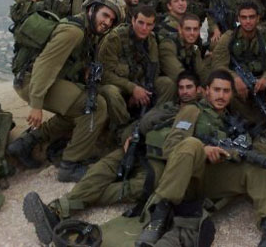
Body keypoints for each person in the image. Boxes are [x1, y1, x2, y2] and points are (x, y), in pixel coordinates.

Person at [22, 72, 203, 246]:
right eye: (181, 87)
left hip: (160, 163)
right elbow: (141, 123)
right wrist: (130, 137)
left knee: (131, 188)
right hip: (138, 148)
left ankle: (64, 207)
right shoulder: (166, 107)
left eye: (189, 87)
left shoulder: (201, 115)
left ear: (199, 90)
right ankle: (55, 210)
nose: (185, 92)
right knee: (102, 169)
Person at [136, 69, 266, 247]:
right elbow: (170, 147)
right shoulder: (192, 111)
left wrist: (231, 153)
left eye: (226, 91)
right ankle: (157, 218)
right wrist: (203, 150)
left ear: (231, 94)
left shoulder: (231, 120)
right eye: (217, 90)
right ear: (207, 91)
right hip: (185, 179)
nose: (221, 95)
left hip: (211, 179)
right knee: (191, 143)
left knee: (257, 166)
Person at [7, 0, 121, 182]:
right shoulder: (74, 32)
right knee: (95, 106)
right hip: (32, 82)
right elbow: (46, 64)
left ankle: (26, 143)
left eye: (112, 20)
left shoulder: (87, 31)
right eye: (105, 15)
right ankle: (70, 165)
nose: (107, 22)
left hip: (41, 81)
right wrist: (36, 104)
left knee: (79, 105)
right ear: (92, 10)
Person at [98, 6, 177, 136]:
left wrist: (142, 90)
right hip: (118, 85)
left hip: (139, 85)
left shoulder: (151, 41)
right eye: (141, 22)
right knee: (111, 91)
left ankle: (154, 121)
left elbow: (153, 71)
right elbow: (105, 74)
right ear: (133, 20)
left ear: (153, 26)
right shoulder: (115, 38)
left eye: (149, 24)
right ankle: (123, 130)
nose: (144, 28)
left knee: (166, 83)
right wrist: (132, 88)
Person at [212, 1, 266, 129]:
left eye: (251, 17)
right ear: (238, 19)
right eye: (244, 17)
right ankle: (253, 120)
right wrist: (234, 78)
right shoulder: (228, 38)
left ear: (258, 18)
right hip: (240, 84)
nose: (248, 21)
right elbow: (218, 65)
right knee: (228, 89)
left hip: (261, 80)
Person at [160, 14, 211, 86]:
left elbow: (202, 74)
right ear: (180, 29)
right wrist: (197, 88)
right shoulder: (168, 45)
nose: (192, 33)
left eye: (195, 29)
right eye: (188, 29)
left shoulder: (195, 50)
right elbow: (178, 74)